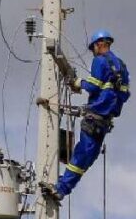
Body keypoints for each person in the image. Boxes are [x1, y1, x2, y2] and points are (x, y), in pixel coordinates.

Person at [40, 29, 130, 204]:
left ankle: (61, 188)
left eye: (93, 48)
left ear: (98, 45)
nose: (93, 51)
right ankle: (63, 188)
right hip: (105, 121)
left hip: (95, 117)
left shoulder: (100, 61)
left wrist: (76, 83)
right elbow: (125, 94)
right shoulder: (122, 66)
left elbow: (93, 86)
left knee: (81, 157)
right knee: (86, 159)